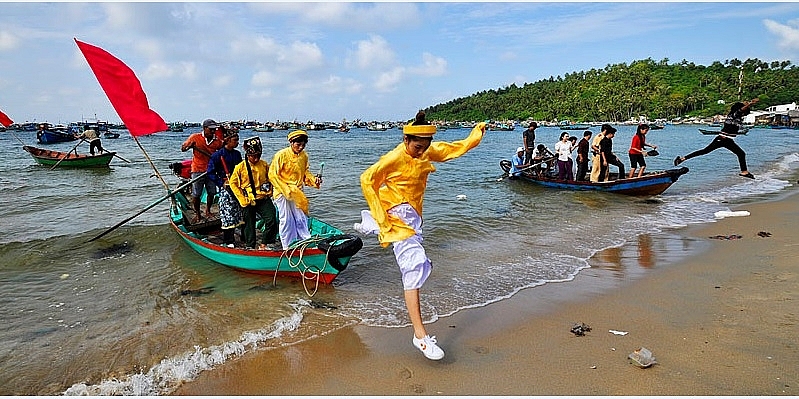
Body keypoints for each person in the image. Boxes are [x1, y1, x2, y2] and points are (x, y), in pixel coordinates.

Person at [356, 111, 486, 361]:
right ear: (406, 140)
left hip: (413, 218)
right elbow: (367, 179)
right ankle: (420, 336)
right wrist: (382, 219)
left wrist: (475, 135)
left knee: (416, 267)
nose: (421, 152)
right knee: (414, 267)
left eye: (425, 147)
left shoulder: (425, 151)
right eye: (417, 147)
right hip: (395, 215)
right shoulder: (394, 157)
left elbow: (452, 149)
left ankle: (370, 224)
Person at [674, 98, 759, 179]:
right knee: (740, 153)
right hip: (724, 139)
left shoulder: (736, 116)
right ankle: (744, 172)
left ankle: (682, 159)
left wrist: (746, 104)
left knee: (705, 151)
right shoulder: (734, 115)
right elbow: (741, 110)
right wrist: (750, 103)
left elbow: (741, 110)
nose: (744, 115)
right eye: (745, 113)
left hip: (726, 139)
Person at [268, 130, 322, 250]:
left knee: (301, 217)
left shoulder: (304, 156)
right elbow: (272, 175)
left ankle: (305, 242)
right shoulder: (281, 155)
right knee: (286, 220)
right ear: (291, 143)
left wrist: (314, 180)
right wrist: (286, 189)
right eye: (298, 144)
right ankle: (287, 246)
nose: (301, 147)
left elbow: (305, 173)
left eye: (303, 145)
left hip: (297, 191)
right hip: (281, 191)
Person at [229, 136, 279, 250]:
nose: (256, 159)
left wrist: (271, 190)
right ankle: (250, 245)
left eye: (258, 156)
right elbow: (233, 183)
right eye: (253, 156)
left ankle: (265, 242)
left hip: (263, 198)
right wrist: (241, 199)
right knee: (249, 224)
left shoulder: (264, 165)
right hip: (248, 199)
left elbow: (271, 178)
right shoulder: (240, 167)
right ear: (247, 155)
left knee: (271, 219)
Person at [207, 126, 244, 247]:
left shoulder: (237, 154)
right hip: (225, 187)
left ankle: (244, 237)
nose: (237, 142)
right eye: (235, 140)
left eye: (238, 140)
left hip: (238, 186)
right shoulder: (217, 155)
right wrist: (220, 183)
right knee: (228, 213)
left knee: (241, 211)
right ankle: (229, 241)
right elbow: (210, 172)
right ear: (227, 140)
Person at [181, 118, 224, 222]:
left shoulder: (217, 141)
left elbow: (222, 151)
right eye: (211, 129)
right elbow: (183, 149)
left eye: (214, 129)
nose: (213, 131)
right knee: (196, 194)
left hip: (211, 170)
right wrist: (189, 146)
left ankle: (208, 210)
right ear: (204, 128)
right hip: (197, 169)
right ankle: (198, 214)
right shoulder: (195, 137)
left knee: (212, 192)